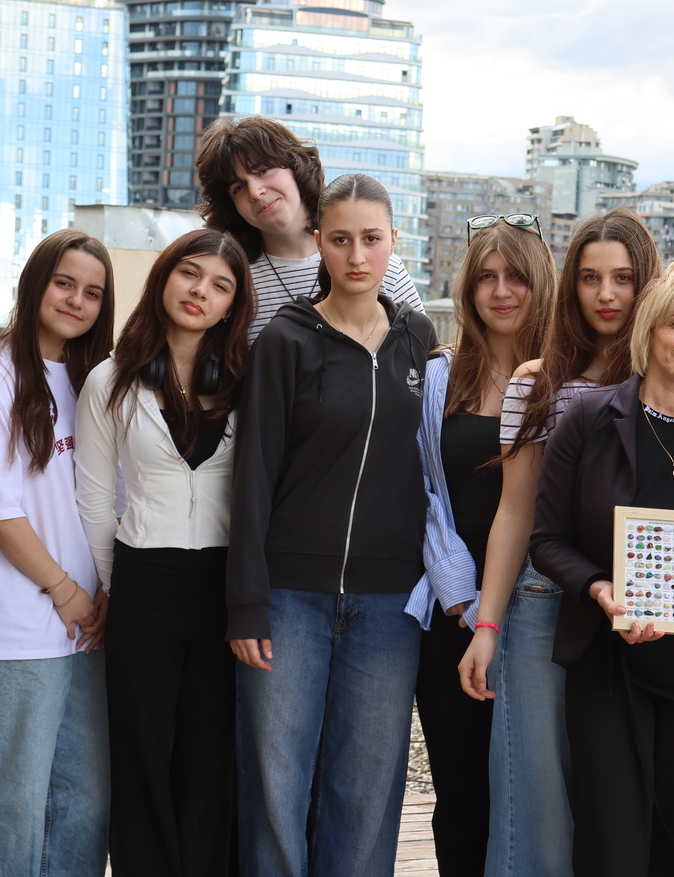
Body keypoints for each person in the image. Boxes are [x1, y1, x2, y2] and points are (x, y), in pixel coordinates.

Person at [227, 172, 468, 877]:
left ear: (394, 242)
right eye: (339, 240)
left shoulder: (419, 341)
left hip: (390, 603)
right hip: (287, 599)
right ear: (319, 244)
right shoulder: (285, 340)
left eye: (370, 239)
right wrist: (246, 602)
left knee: (365, 792)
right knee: (276, 785)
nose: (356, 256)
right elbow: (253, 476)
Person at [531, 260, 674, 877]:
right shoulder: (588, 419)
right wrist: (599, 587)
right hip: (611, 671)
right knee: (611, 847)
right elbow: (547, 540)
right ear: (649, 328)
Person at [458, 208, 661, 877]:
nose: (607, 294)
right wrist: (487, 625)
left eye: (623, 278)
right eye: (591, 278)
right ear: (570, 286)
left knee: (616, 812)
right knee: (532, 805)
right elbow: (515, 510)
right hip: (543, 602)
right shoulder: (536, 381)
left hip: (641, 607)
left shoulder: (667, 378)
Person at [76, 229, 255, 877]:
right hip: (143, 586)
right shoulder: (110, 380)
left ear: (232, 306)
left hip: (223, 589)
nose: (200, 291)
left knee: (210, 758)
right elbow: (95, 499)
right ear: (164, 278)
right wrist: (115, 587)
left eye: (220, 285)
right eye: (190, 273)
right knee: (141, 756)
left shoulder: (247, 381)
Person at [0, 228, 115, 877]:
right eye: (63, 283)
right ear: (34, 284)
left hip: (86, 628)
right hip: (19, 626)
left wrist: (99, 593)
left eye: (92, 293)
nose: (76, 300)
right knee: (6, 809)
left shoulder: (91, 379)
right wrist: (64, 589)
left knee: (83, 806)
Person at [415, 215, 557, 876]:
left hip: (541, 603)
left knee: (532, 792)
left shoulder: (565, 379)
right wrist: (459, 596)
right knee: (463, 791)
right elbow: (419, 490)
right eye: (486, 278)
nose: (501, 292)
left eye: (516, 277)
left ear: (542, 283)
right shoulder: (439, 376)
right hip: (454, 609)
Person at [194, 114, 423, 342]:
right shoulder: (231, 280)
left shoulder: (380, 265)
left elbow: (424, 353)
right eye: (238, 187)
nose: (255, 192)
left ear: (296, 167)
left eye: (263, 170)